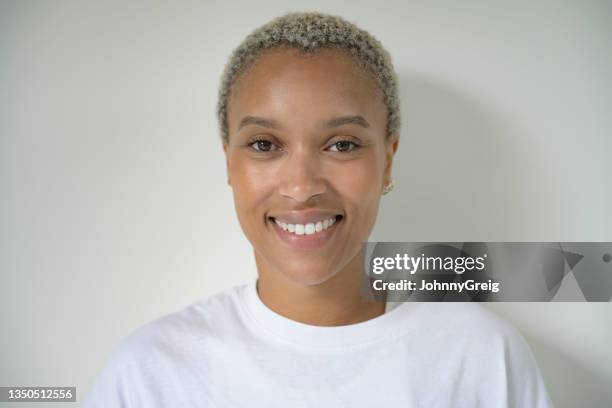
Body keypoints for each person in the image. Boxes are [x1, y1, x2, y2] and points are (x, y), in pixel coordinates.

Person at [84, 12, 553, 407]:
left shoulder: (485, 358)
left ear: (387, 161)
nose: (302, 186)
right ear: (229, 160)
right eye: (265, 144)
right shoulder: (149, 373)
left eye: (342, 144)